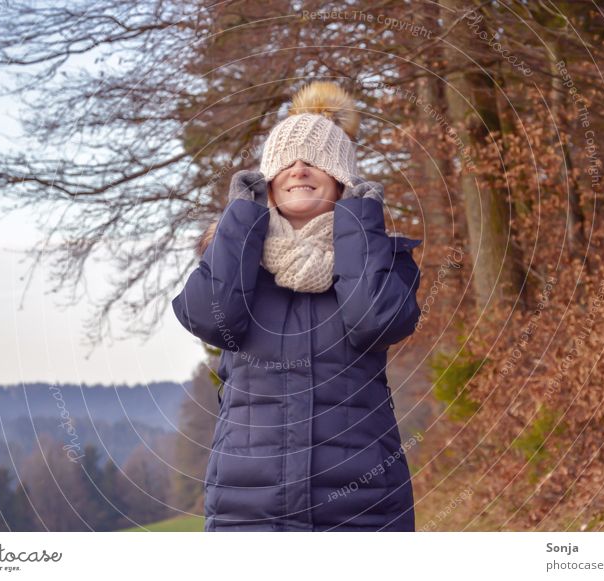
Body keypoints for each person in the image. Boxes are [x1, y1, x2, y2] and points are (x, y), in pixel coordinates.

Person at [171, 80, 423, 531]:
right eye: (285, 161)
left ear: (341, 181)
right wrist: (241, 220)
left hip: (363, 509)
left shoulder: (382, 256)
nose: (300, 168)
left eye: (316, 161)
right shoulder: (236, 257)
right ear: (267, 182)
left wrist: (359, 222)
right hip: (248, 510)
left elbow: (377, 321)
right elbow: (209, 318)